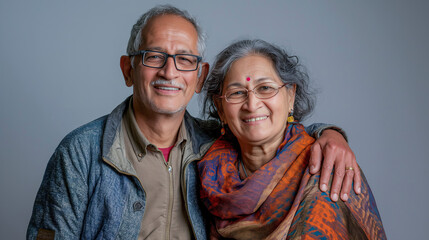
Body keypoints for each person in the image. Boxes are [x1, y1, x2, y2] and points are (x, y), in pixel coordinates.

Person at [27, 5, 361, 240]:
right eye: (154, 56)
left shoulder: (217, 145)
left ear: (200, 78)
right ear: (128, 69)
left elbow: (272, 133)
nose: (169, 72)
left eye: (185, 60)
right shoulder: (80, 153)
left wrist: (330, 135)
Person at [198, 39, 386, 239]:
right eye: (236, 93)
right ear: (221, 110)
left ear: (290, 96)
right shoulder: (206, 172)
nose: (252, 105)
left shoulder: (329, 167)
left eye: (265, 88)